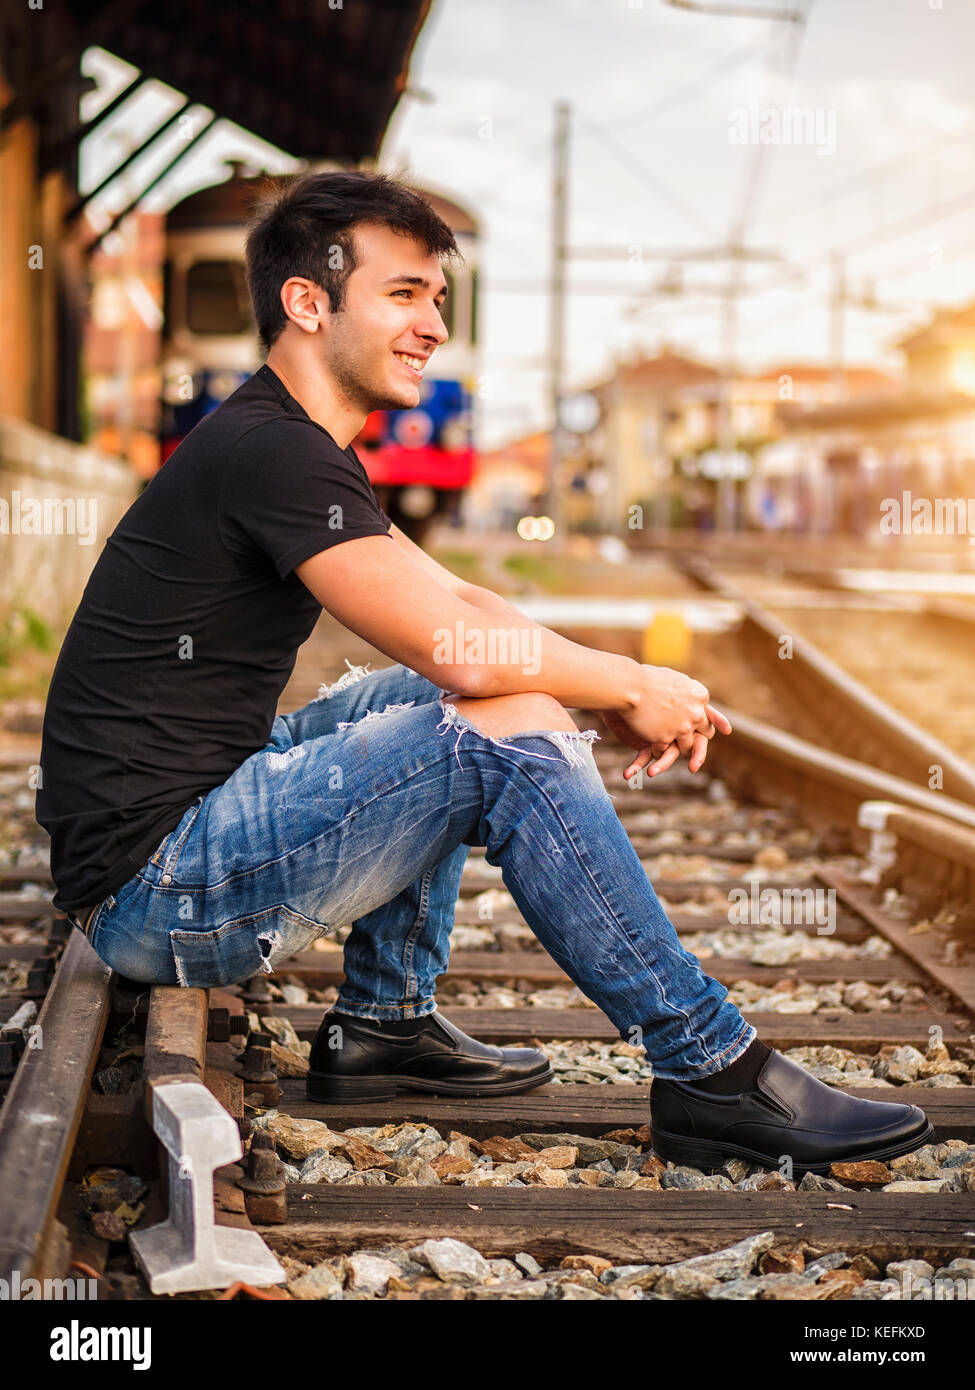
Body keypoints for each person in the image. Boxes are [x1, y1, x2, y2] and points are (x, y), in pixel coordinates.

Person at [35, 171, 931, 1174]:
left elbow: (467, 613)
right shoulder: (271, 451)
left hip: (177, 832)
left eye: (438, 302)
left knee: (486, 702)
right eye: (404, 294)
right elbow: (456, 647)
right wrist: (622, 685)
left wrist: (603, 680)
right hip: (159, 887)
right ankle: (711, 1067)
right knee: (490, 733)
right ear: (308, 300)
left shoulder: (283, 441)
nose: (432, 327)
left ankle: (385, 1024)